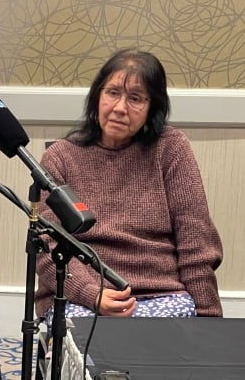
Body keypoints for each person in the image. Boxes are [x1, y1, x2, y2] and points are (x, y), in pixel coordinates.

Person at [35, 49, 223, 323]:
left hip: (162, 294)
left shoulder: (171, 149)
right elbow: (47, 246)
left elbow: (196, 241)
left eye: (135, 98)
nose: (120, 108)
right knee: (85, 348)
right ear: (97, 96)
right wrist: (91, 293)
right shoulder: (61, 157)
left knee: (171, 353)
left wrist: (209, 321)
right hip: (85, 296)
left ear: (152, 108)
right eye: (112, 93)